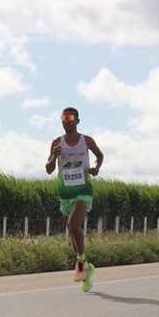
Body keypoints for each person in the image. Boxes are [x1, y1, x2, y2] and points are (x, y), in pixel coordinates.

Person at [46, 107, 104, 292]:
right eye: (63, 118)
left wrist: (96, 167)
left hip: (83, 191)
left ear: (77, 121)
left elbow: (99, 155)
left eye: (70, 117)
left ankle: (81, 260)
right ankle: (87, 271)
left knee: (73, 224)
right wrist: (54, 156)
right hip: (65, 194)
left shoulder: (86, 140)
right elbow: (48, 169)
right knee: (73, 234)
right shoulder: (57, 142)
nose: (66, 121)